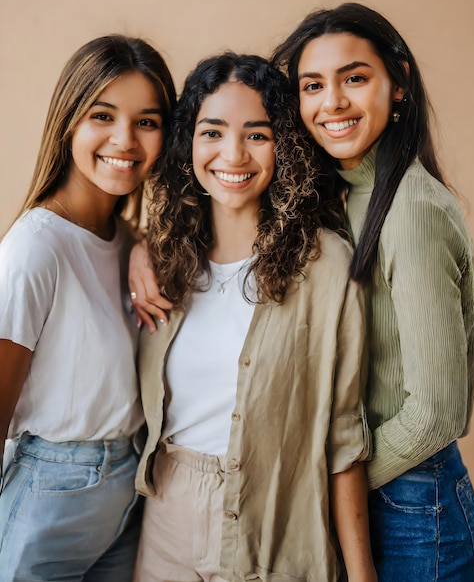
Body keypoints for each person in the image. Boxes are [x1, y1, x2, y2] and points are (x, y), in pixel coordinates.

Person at [133, 52, 377, 582]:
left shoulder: (328, 266)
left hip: (277, 526)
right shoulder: (163, 260)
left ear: (285, 146)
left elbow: (343, 439)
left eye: (258, 134)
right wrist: (139, 244)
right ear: (188, 145)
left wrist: (362, 575)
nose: (233, 154)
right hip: (165, 518)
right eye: (212, 132)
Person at [271, 2, 474, 581]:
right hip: (380, 497)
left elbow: (438, 413)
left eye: (355, 78)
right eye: (312, 85)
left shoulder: (410, 208)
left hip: (415, 507)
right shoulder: (346, 195)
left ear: (399, 85)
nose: (331, 103)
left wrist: (333, 487)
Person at [0, 34, 176, 581]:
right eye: (103, 115)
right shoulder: (36, 248)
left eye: (147, 121)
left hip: (128, 493)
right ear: (69, 122)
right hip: (51, 493)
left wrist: (146, 239)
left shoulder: (127, 243)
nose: (125, 139)